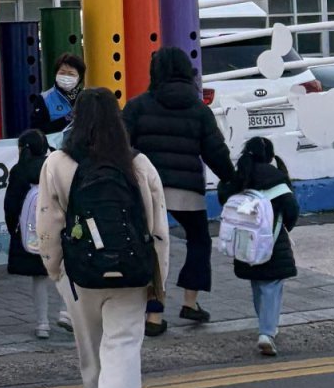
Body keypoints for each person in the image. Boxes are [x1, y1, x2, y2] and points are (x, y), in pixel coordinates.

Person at [36, 87, 169, 388]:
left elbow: (48, 223)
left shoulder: (58, 162)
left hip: (81, 275)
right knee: (122, 350)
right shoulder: (136, 162)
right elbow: (157, 227)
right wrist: (157, 282)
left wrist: (55, 269)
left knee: (91, 353)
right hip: (130, 275)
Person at [122, 46, 235, 337]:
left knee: (153, 246)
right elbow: (216, 152)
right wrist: (233, 181)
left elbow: (120, 146)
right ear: (188, 72)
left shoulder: (137, 106)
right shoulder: (199, 110)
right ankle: (190, 301)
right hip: (187, 190)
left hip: (147, 188)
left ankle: (154, 314)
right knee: (198, 240)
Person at [218, 137, 298, 357]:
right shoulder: (278, 178)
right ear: (270, 156)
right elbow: (291, 210)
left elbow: (223, 198)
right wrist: (283, 229)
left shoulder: (239, 176)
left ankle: (265, 326)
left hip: (244, 241)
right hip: (272, 239)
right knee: (272, 285)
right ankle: (267, 332)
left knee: (257, 284)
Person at [4, 129, 70, 339]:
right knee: (65, 272)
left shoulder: (19, 170)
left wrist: (14, 229)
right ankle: (66, 312)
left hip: (33, 232)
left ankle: (42, 324)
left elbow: (11, 205)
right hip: (59, 229)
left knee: (39, 277)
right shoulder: (56, 167)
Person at [29, 53, 85, 135]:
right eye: (62, 73)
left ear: (79, 78)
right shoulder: (44, 99)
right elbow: (36, 130)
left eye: (71, 74)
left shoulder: (87, 97)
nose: (66, 77)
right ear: (56, 74)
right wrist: (65, 120)